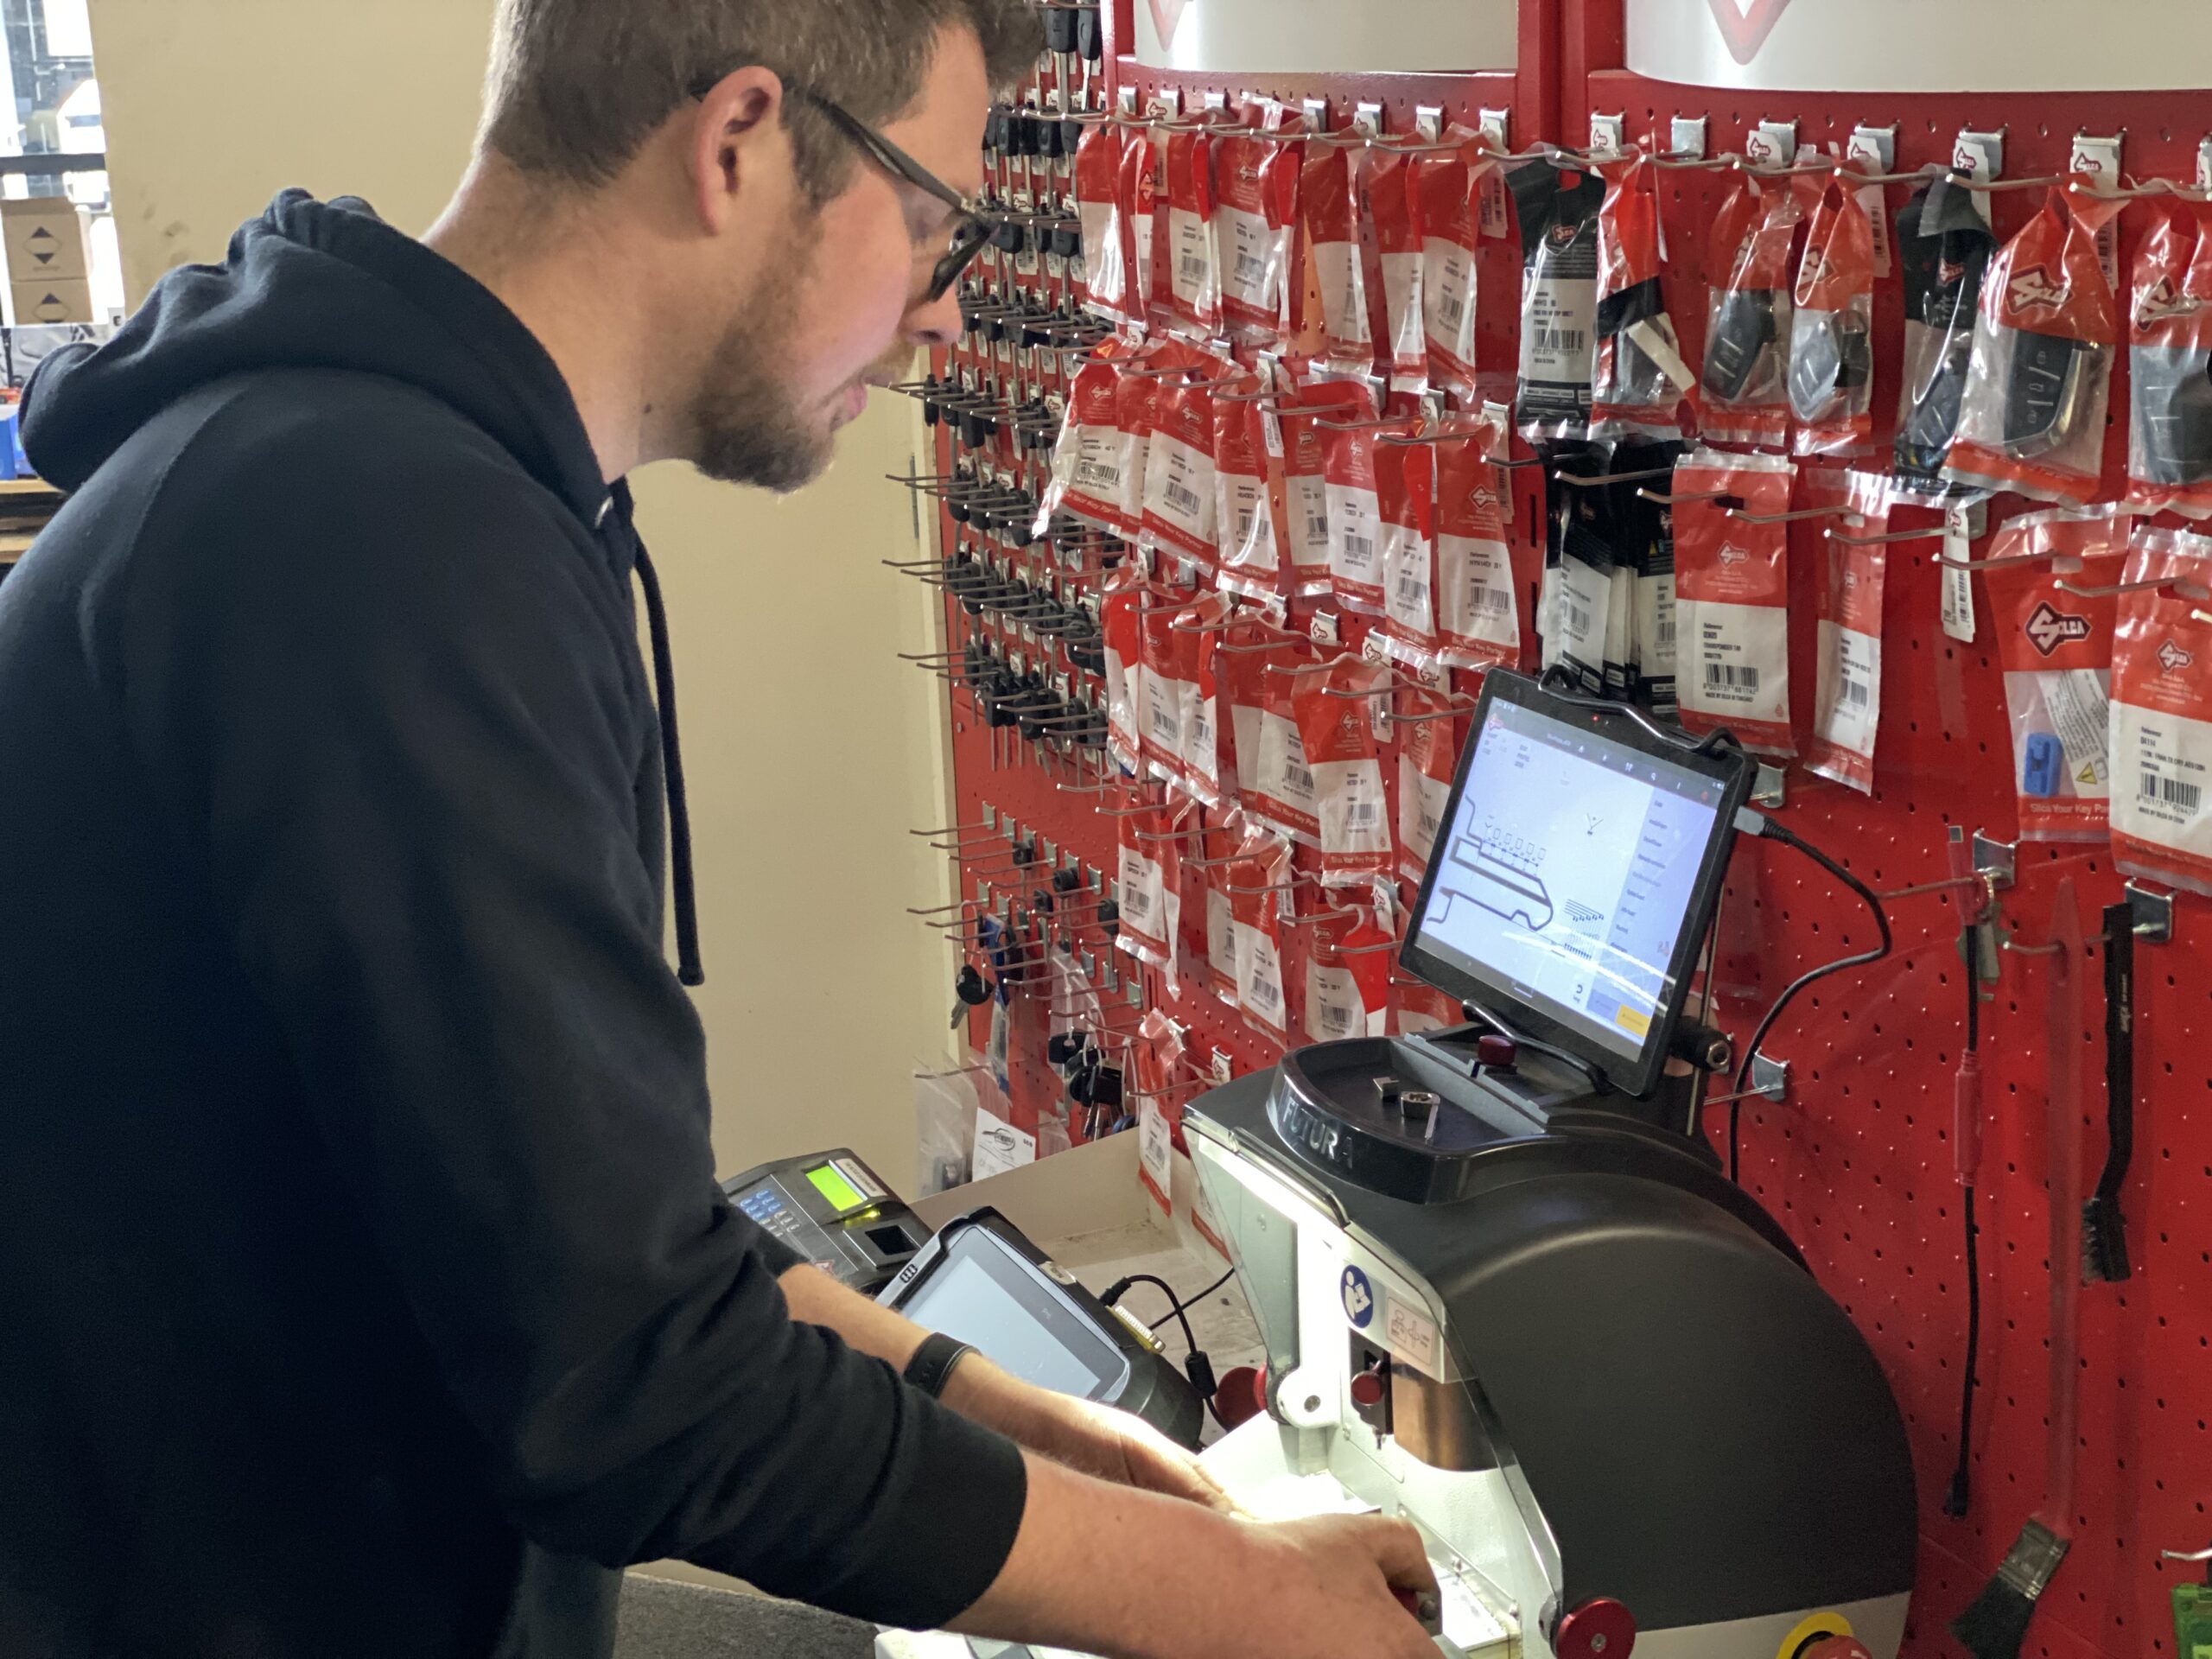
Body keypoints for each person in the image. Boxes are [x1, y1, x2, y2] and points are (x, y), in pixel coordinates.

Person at [0, 2, 1441, 1656]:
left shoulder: (370, 475)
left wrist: (1044, 1435)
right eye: (932, 224)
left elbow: (576, 1224)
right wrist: (1252, 1605)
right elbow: (631, 1390)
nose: (942, 315)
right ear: (740, 141)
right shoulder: (385, 553)